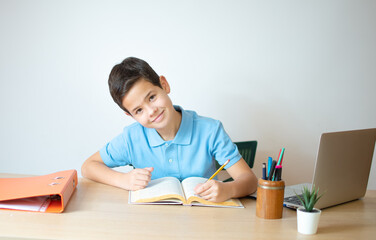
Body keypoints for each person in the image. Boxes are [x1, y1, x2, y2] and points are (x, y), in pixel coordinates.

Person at [81, 57, 257, 202]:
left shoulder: (211, 130)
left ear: (164, 85)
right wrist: (123, 179)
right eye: (139, 110)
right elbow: (88, 166)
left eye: (151, 97)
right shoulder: (132, 138)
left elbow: (249, 181)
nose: (151, 111)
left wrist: (229, 189)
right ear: (131, 116)